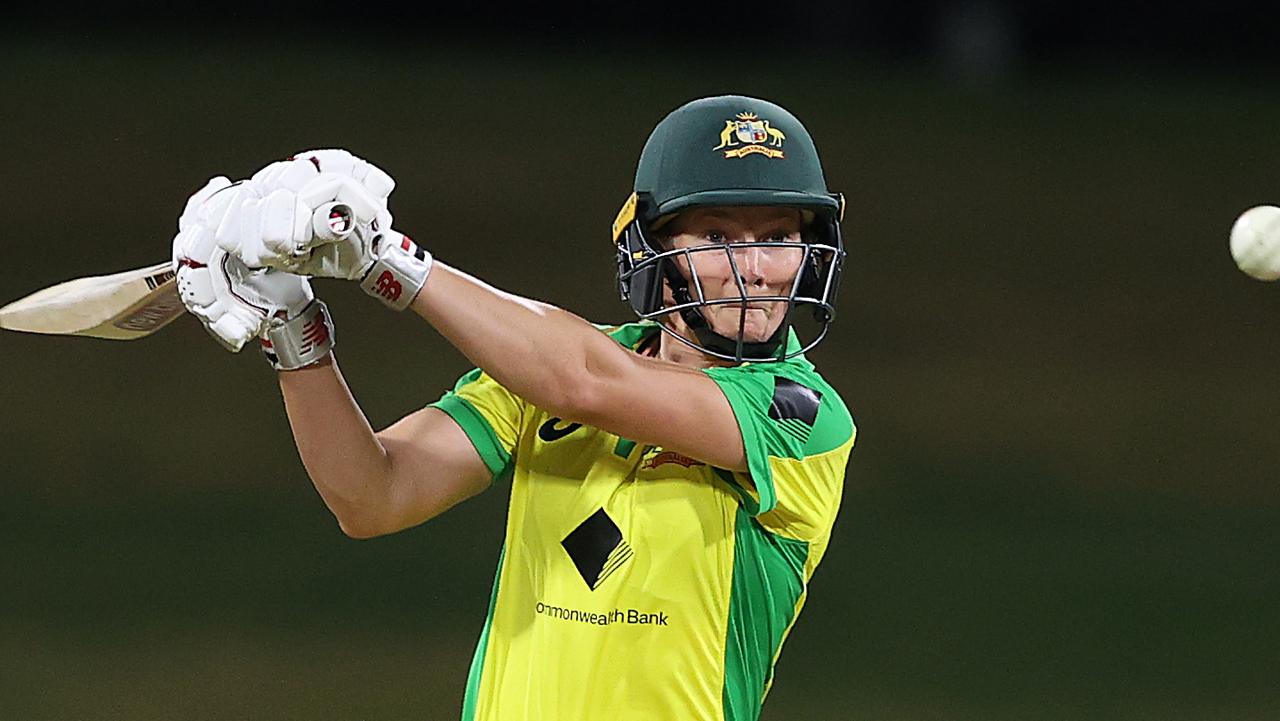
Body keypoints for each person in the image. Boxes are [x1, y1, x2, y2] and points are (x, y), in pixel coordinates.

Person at [171, 94, 855, 721]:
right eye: (717, 238)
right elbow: (373, 495)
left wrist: (386, 258)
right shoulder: (546, 367)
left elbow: (585, 381)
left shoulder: (803, 417)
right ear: (655, 247)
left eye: (777, 236)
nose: (756, 268)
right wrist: (293, 332)